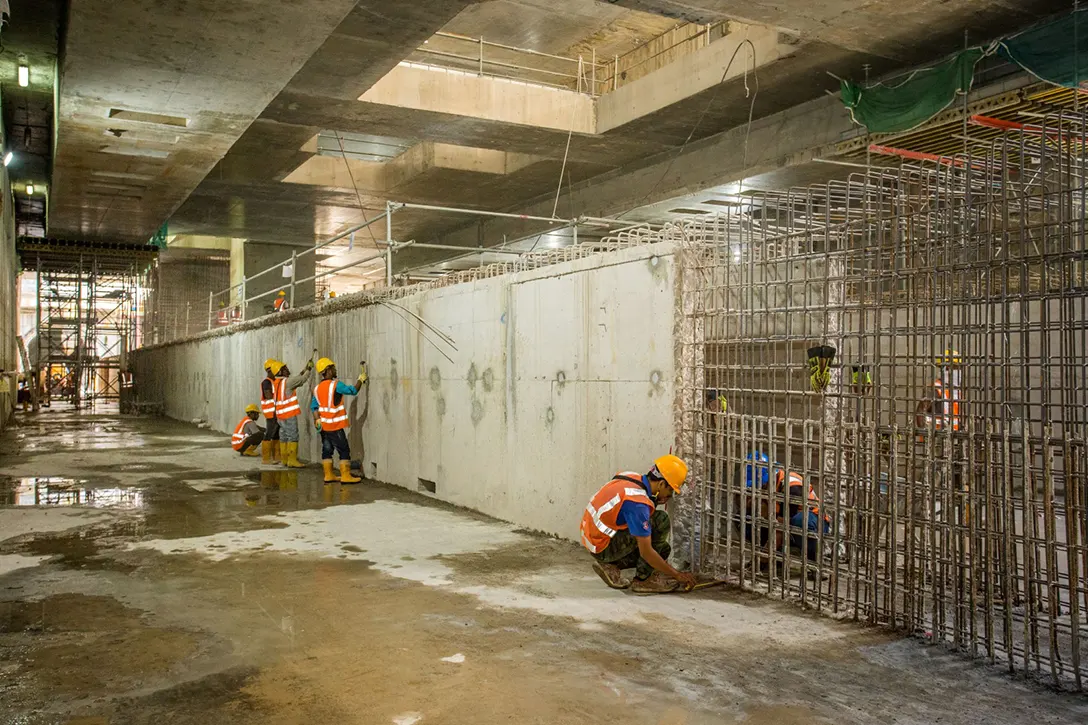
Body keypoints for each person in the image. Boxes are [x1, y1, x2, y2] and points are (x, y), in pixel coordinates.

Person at [581, 455, 697, 594]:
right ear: (661, 484)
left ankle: (611, 566)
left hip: (594, 539)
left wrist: (653, 501)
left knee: (663, 549)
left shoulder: (630, 476)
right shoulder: (638, 504)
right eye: (670, 490)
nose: (669, 495)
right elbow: (646, 552)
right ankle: (643, 581)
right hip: (603, 546)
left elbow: (624, 510)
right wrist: (677, 574)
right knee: (660, 521)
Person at [311, 357, 367, 484]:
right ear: (328, 370)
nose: (335, 370)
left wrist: (317, 420)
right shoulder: (336, 385)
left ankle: (328, 475)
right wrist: (360, 380)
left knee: (327, 450)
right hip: (335, 426)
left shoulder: (317, 389)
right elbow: (352, 391)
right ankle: (346, 476)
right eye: (333, 368)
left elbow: (314, 407)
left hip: (323, 427)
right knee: (344, 450)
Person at [275, 357, 314, 468]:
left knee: (284, 437)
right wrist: (309, 370)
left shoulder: (278, 382)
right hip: (288, 415)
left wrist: (304, 369)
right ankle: (292, 460)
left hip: (280, 416)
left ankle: (285, 460)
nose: (287, 369)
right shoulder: (288, 382)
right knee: (293, 436)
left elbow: (296, 378)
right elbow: (301, 380)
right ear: (280, 371)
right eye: (285, 368)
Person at [260, 359, 282, 464]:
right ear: (269, 370)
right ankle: (266, 458)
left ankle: (276, 457)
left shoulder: (274, 382)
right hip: (271, 412)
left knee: (276, 434)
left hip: (276, 412)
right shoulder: (267, 382)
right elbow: (268, 395)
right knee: (269, 433)